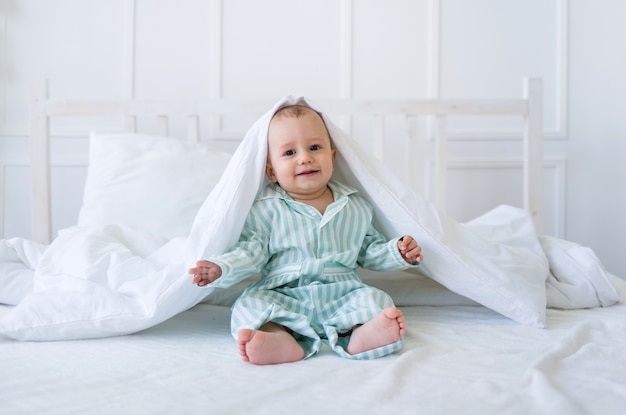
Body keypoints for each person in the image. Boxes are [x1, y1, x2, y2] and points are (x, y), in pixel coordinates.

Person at [189, 104, 423, 365]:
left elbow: (369, 250)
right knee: (248, 306)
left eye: (314, 148)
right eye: (289, 152)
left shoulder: (355, 206)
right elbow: (250, 252)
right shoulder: (266, 209)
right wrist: (221, 267)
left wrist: (398, 252)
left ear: (332, 157)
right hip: (282, 292)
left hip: (342, 291)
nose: (305, 158)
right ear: (271, 171)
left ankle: (362, 335)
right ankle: (280, 339)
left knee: (376, 299)